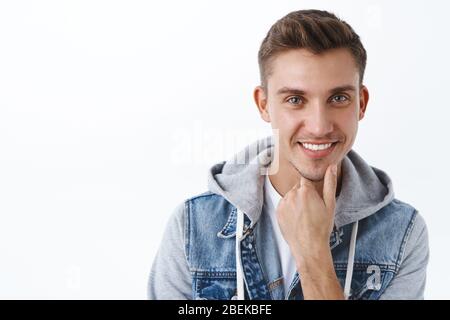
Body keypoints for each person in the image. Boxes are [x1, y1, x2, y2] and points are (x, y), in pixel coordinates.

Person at [148, 9, 429, 300]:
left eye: (338, 98)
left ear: (361, 103)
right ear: (264, 105)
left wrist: (313, 255)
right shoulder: (193, 226)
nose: (319, 126)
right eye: (295, 100)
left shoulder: (402, 233)